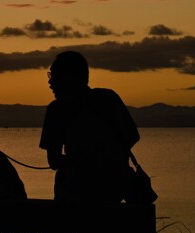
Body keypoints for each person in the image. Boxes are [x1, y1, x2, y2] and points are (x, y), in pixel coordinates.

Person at [39, 50, 139, 206]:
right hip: (114, 192)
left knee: (64, 179)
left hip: (77, 195)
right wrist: (104, 159)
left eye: (54, 76)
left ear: (69, 78)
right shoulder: (109, 98)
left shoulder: (57, 109)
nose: (50, 82)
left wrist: (82, 163)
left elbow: (54, 161)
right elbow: (132, 137)